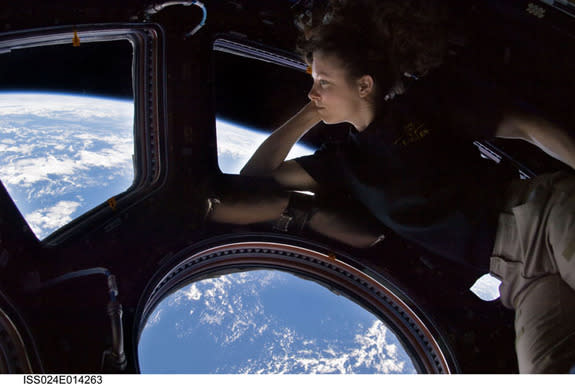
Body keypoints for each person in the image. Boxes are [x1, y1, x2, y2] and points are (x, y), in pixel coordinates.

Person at [207, 0, 575, 373]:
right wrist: (306, 116)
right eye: (313, 82)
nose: (313, 93)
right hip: (518, 274)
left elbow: (528, 127)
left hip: (544, 217)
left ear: (364, 85)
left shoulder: (424, 106)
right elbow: (250, 181)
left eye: (323, 82)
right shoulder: (343, 162)